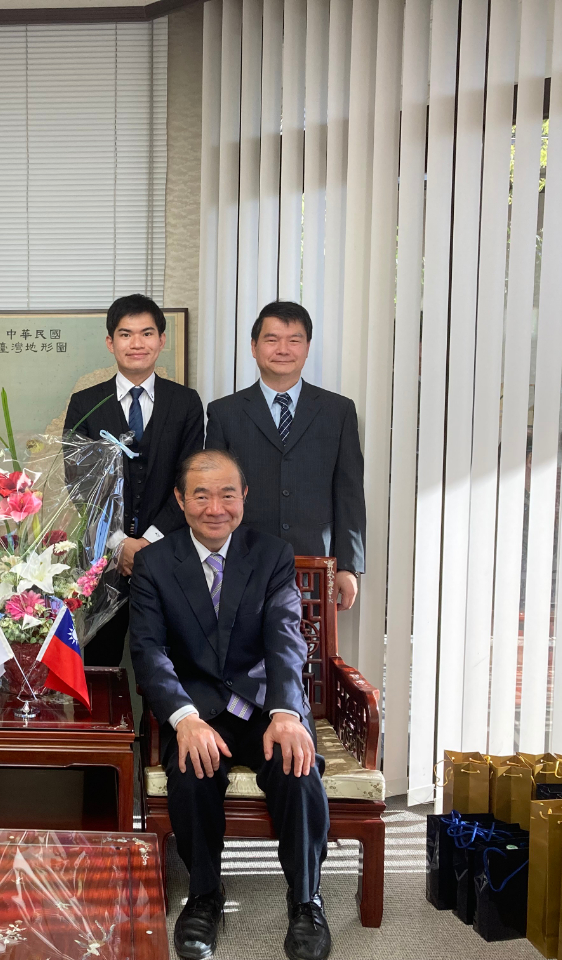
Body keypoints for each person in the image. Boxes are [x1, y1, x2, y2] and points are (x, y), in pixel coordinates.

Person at [131, 449, 331, 960]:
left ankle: (306, 899)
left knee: (297, 767)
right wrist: (184, 719)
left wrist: (287, 712)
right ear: (180, 500)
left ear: (244, 496)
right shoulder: (155, 563)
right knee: (191, 770)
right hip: (199, 710)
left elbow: (285, 638)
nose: (215, 508)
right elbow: (148, 651)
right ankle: (204, 895)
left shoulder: (272, 555)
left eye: (227, 494)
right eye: (201, 495)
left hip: (265, 706)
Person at [63, 293, 204, 668]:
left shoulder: (186, 403)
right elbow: (79, 481)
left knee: (167, 664)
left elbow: (191, 482)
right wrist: (119, 542)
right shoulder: (85, 403)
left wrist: (148, 542)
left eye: (147, 333)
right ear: (111, 342)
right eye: (126, 334)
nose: (137, 343)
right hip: (102, 559)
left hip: (170, 554)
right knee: (99, 662)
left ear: (162, 340)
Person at [205, 301, 365, 612]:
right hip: (242, 560)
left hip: (315, 564)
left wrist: (348, 566)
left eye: (294, 340)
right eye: (272, 339)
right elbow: (215, 493)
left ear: (307, 348)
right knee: (240, 642)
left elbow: (349, 493)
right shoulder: (224, 412)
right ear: (254, 347)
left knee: (307, 642)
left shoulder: (338, 411)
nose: (283, 349)